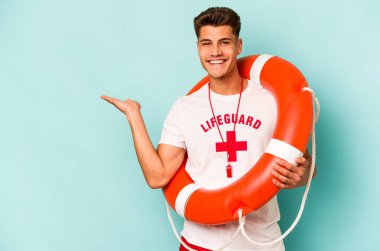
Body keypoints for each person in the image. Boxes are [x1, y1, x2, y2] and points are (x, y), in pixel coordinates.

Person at [101, 6, 316, 251]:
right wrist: (134, 116)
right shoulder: (185, 108)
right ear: (198, 48)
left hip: (263, 243)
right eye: (207, 43)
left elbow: (305, 164)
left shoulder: (271, 101)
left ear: (239, 46)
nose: (215, 52)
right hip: (201, 244)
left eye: (224, 42)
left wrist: (303, 175)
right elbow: (157, 176)